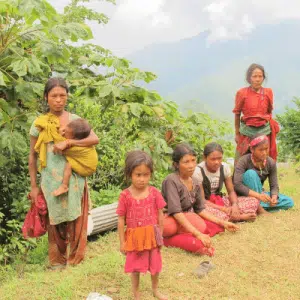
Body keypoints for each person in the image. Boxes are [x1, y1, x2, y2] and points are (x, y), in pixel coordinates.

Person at [28, 77, 99, 269]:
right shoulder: (40, 123)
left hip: (74, 177)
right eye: (54, 96)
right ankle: (57, 262)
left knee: (76, 219)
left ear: (67, 97)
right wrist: (34, 186)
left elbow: (94, 139)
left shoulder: (75, 120)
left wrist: (69, 142)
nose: (58, 100)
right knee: (55, 221)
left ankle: (75, 259)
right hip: (50, 179)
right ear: (46, 97)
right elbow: (32, 157)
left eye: (62, 95)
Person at [161, 143, 239, 255]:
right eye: (186, 162)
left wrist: (223, 223)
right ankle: (166, 239)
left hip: (184, 218)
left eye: (193, 160)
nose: (191, 165)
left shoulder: (195, 181)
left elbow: (200, 209)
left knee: (201, 226)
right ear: (176, 164)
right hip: (168, 218)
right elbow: (176, 212)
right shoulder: (171, 180)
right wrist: (197, 234)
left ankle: (174, 238)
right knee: (170, 228)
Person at [116, 150, 167, 300]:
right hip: (134, 238)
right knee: (135, 268)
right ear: (129, 174)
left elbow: (160, 214)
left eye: (146, 175)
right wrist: (122, 242)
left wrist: (160, 236)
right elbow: (120, 219)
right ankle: (136, 294)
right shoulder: (125, 195)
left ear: (150, 174)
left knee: (155, 265)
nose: (142, 179)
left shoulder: (154, 192)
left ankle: (155, 290)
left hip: (152, 236)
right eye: (138, 175)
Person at [193, 142, 261, 221]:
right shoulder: (198, 171)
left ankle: (231, 215)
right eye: (213, 159)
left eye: (219, 158)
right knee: (202, 211)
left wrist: (234, 205)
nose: (217, 162)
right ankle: (239, 217)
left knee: (254, 201)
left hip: (220, 200)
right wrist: (224, 209)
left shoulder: (224, 167)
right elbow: (202, 201)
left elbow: (231, 191)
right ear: (205, 158)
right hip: (206, 203)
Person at [34, 116, 98, 196]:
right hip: (89, 161)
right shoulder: (79, 137)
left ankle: (64, 186)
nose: (64, 133)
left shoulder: (75, 147)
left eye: (67, 133)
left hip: (87, 167)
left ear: (75, 138)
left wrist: (59, 136)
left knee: (69, 165)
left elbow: (59, 148)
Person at [233, 135, 294, 212]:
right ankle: (258, 207)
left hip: (260, 193)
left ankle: (254, 206)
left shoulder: (270, 162)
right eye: (261, 150)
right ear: (252, 149)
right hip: (246, 195)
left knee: (289, 202)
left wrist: (274, 197)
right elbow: (237, 185)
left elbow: (274, 185)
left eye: (266, 149)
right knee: (250, 174)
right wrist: (258, 195)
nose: (264, 153)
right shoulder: (243, 161)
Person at [233, 63, 280, 163]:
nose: (257, 79)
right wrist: (237, 133)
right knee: (241, 161)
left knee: (263, 161)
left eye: (260, 76)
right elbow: (237, 113)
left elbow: (269, 112)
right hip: (247, 132)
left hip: (264, 131)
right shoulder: (242, 93)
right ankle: (239, 178)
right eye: (254, 76)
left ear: (263, 78)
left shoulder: (268, 92)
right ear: (249, 78)